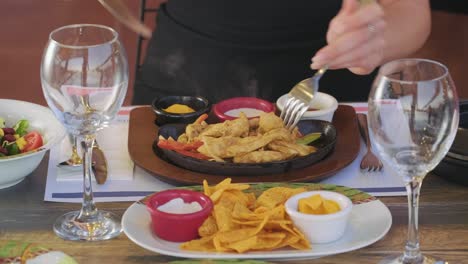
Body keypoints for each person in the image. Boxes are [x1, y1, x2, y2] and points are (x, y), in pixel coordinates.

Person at [99, 0, 431, 105]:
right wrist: (131, 21)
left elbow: (411, 11)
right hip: (184, 81)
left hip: (331, 95)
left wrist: (373, 36)